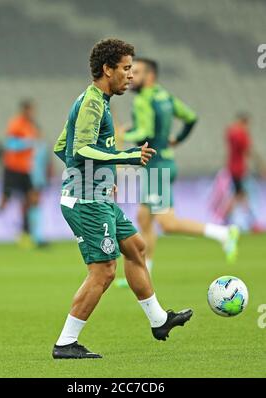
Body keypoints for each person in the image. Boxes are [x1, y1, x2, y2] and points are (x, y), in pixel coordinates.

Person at [52, 39, 193, 360]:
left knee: (136, 247)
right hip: (86, 201)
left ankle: (159, 321)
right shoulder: (91, 103)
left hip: (96, 193)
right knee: (103, 271)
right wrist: (125, 156)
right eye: (126, 68)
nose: (131, 75)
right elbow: (78, 149)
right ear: (107, 69)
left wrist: (97, 175)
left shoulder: (98, 101)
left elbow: (62, 145)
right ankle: (65, 343)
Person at [115, 58, 239, 288]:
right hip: (165, 163)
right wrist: (177, 139)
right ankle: (145, 271)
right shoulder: (165, 96)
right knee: (144, 218)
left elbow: (146, 132)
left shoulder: (144, 99)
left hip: (157, 166)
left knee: (168, 223)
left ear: (150, 76)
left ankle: (223, 233)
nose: (131, 76)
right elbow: (191, 117)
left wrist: (124, 134)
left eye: (137, 72)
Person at [0, 100, 43, 246]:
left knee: (33, 199)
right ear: (24, 110)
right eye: (30, 110)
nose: (33, 113)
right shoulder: (16, 124)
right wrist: (27, 143)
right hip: (12, 169)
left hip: (25, 170)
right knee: (4, 202)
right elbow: (9, 144)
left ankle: (36, 238)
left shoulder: (31, 127)